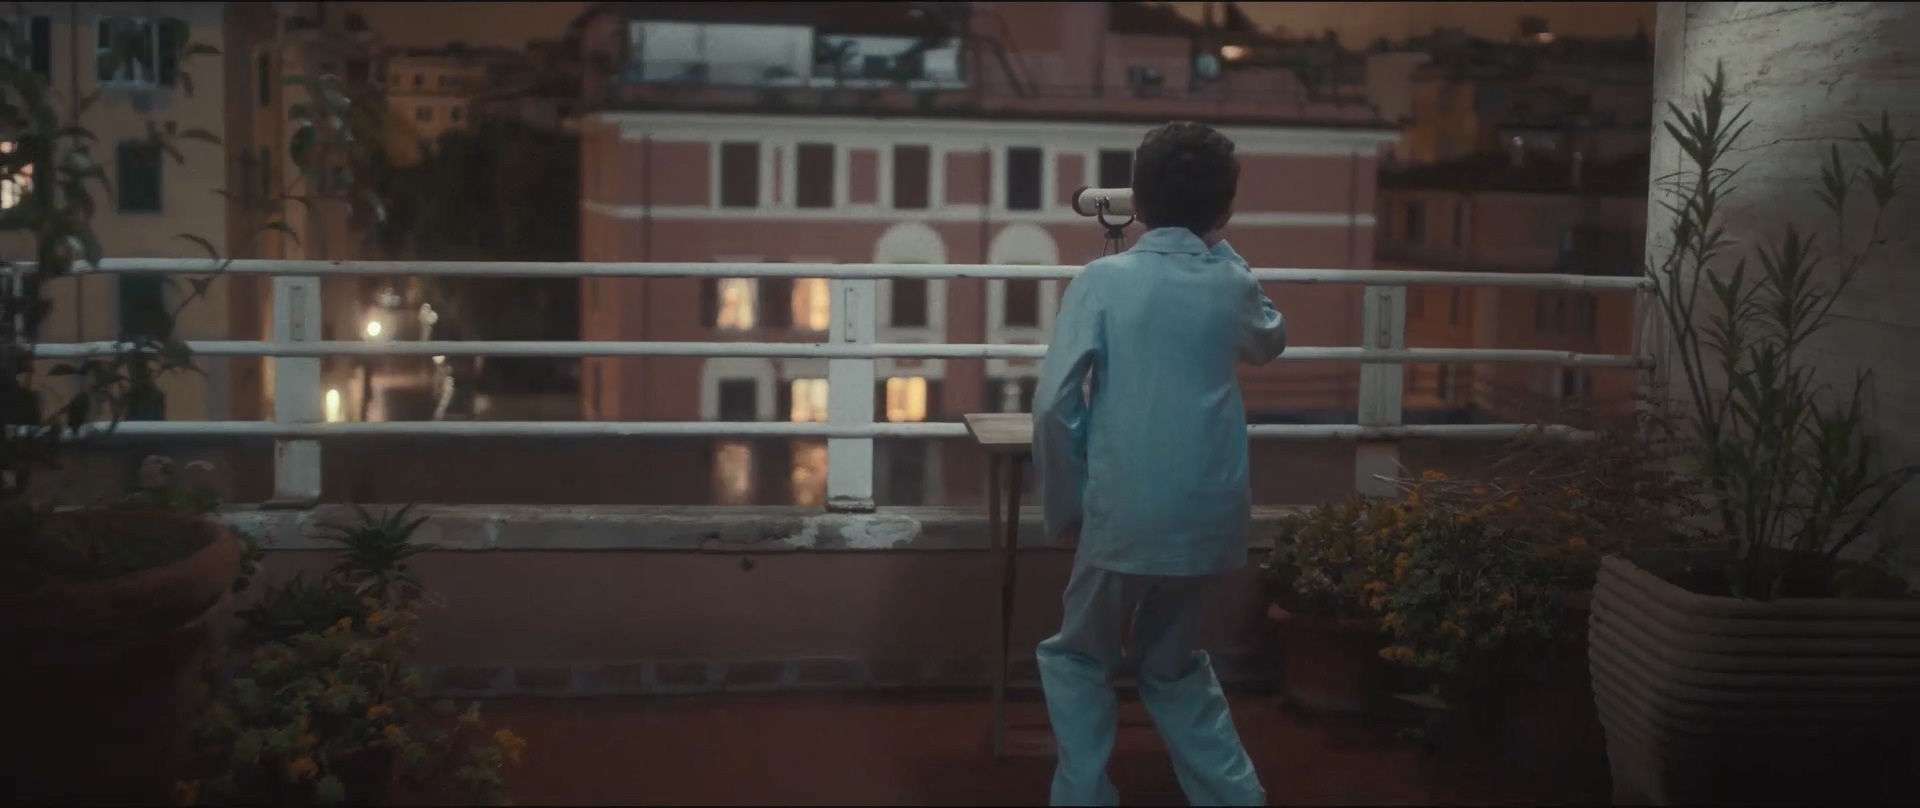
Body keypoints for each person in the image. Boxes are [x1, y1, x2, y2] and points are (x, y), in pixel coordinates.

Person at [1030, 121, 1285, 807]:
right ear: (1224, 211)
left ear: (1137, 202)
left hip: (1123, 511)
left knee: (1076, 654)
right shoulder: (1231, 282)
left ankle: (1083, 795)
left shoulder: (1102, 281)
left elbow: (1054, 407)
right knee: (1173, 665)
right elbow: (1270, 340)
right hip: (1212, 515)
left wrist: (1067, 505)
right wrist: (1218, 244)